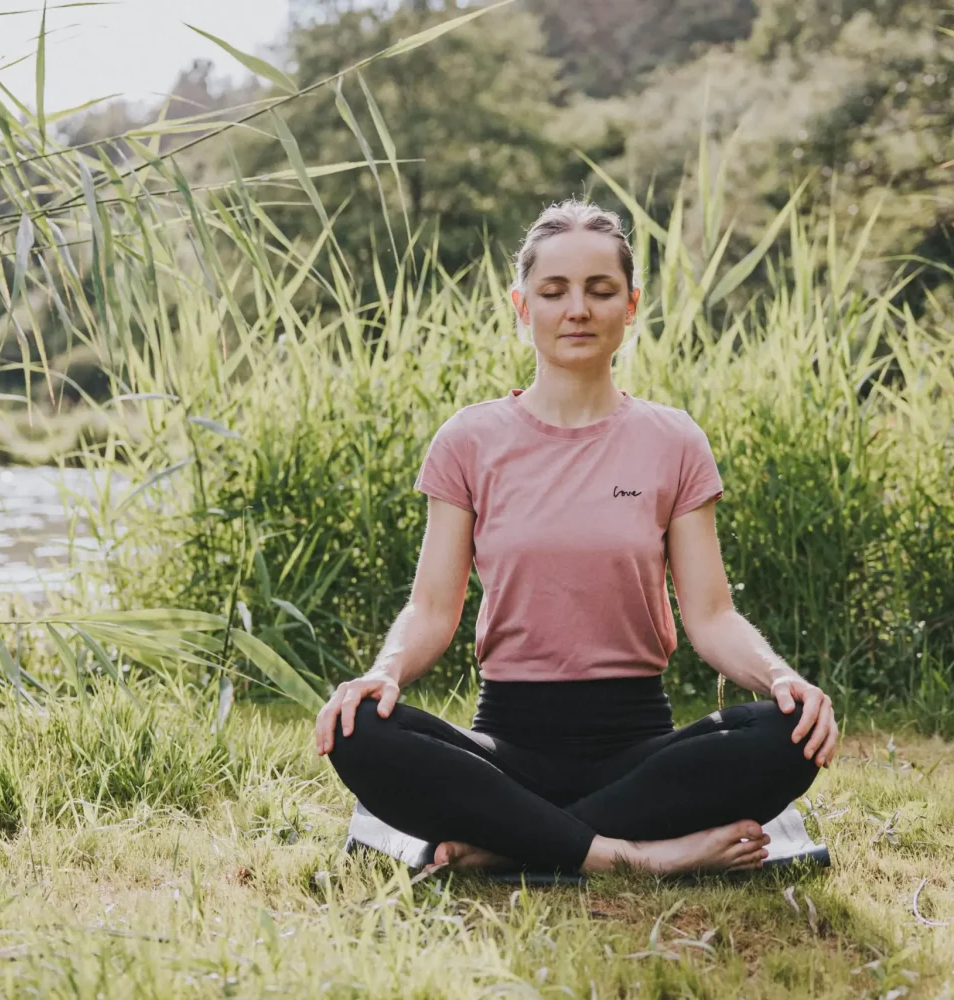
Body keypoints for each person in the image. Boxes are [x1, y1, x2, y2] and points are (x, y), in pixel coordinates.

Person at [315, 198, 838, 878]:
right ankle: (633, 855)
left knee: (783, 734)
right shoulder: (469, 440)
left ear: (631, 303)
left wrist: (782, 678)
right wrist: (381, 672)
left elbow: (711, 616)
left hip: (640, 746)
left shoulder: (674, 440)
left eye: (600, 290)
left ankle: (507, 841)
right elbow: (432, 611)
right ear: (522, 305)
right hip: (506, 744)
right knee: (360, 730)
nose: (578, 310)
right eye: (554, 291)